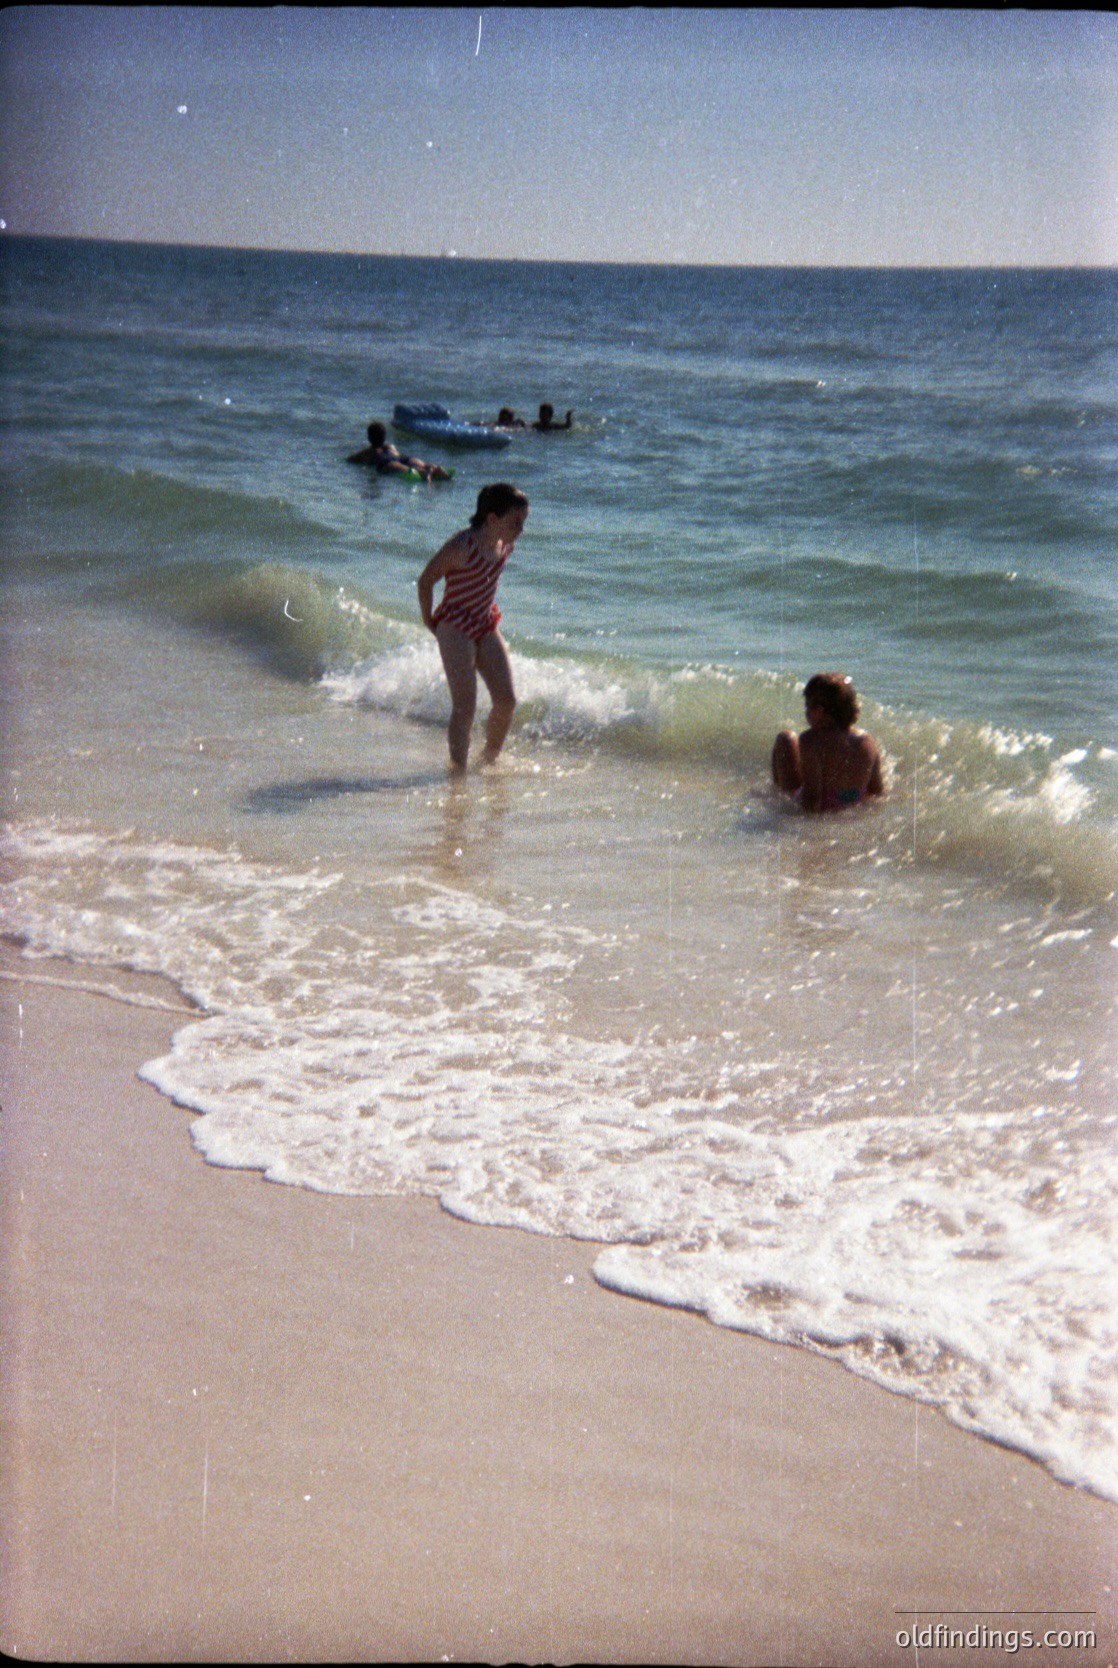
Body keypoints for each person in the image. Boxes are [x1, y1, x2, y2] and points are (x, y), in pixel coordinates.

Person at [417, 482, 529, 771]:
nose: (521, 529)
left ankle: (488, 760)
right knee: (465, 707)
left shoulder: (505, 544)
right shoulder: (461, 547)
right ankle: (458, 773)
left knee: (506, 701)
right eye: (516, 522)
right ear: (492, 519)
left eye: (524, 522)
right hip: (455, 624)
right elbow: (426, 579)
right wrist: (429, 619)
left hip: (484, 620)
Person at [771, 672, 884, 812]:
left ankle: (775, 795)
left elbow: (812, 796)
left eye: (808, 707)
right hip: (853, 802)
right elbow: (877, 791)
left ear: (819, 710)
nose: (806, 713)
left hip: (823, 806)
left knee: (785, 739)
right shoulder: (867, 740)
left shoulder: (811, 740)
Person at [346, 422, 452, 481]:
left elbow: (350, 460)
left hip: (388, 463)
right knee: (421, 464)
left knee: (408, 470)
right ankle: (435, 468)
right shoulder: (391, 447)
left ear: (369, 438)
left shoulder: (369, 452)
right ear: (384, 436)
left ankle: (425, 474)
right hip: (402, 458)